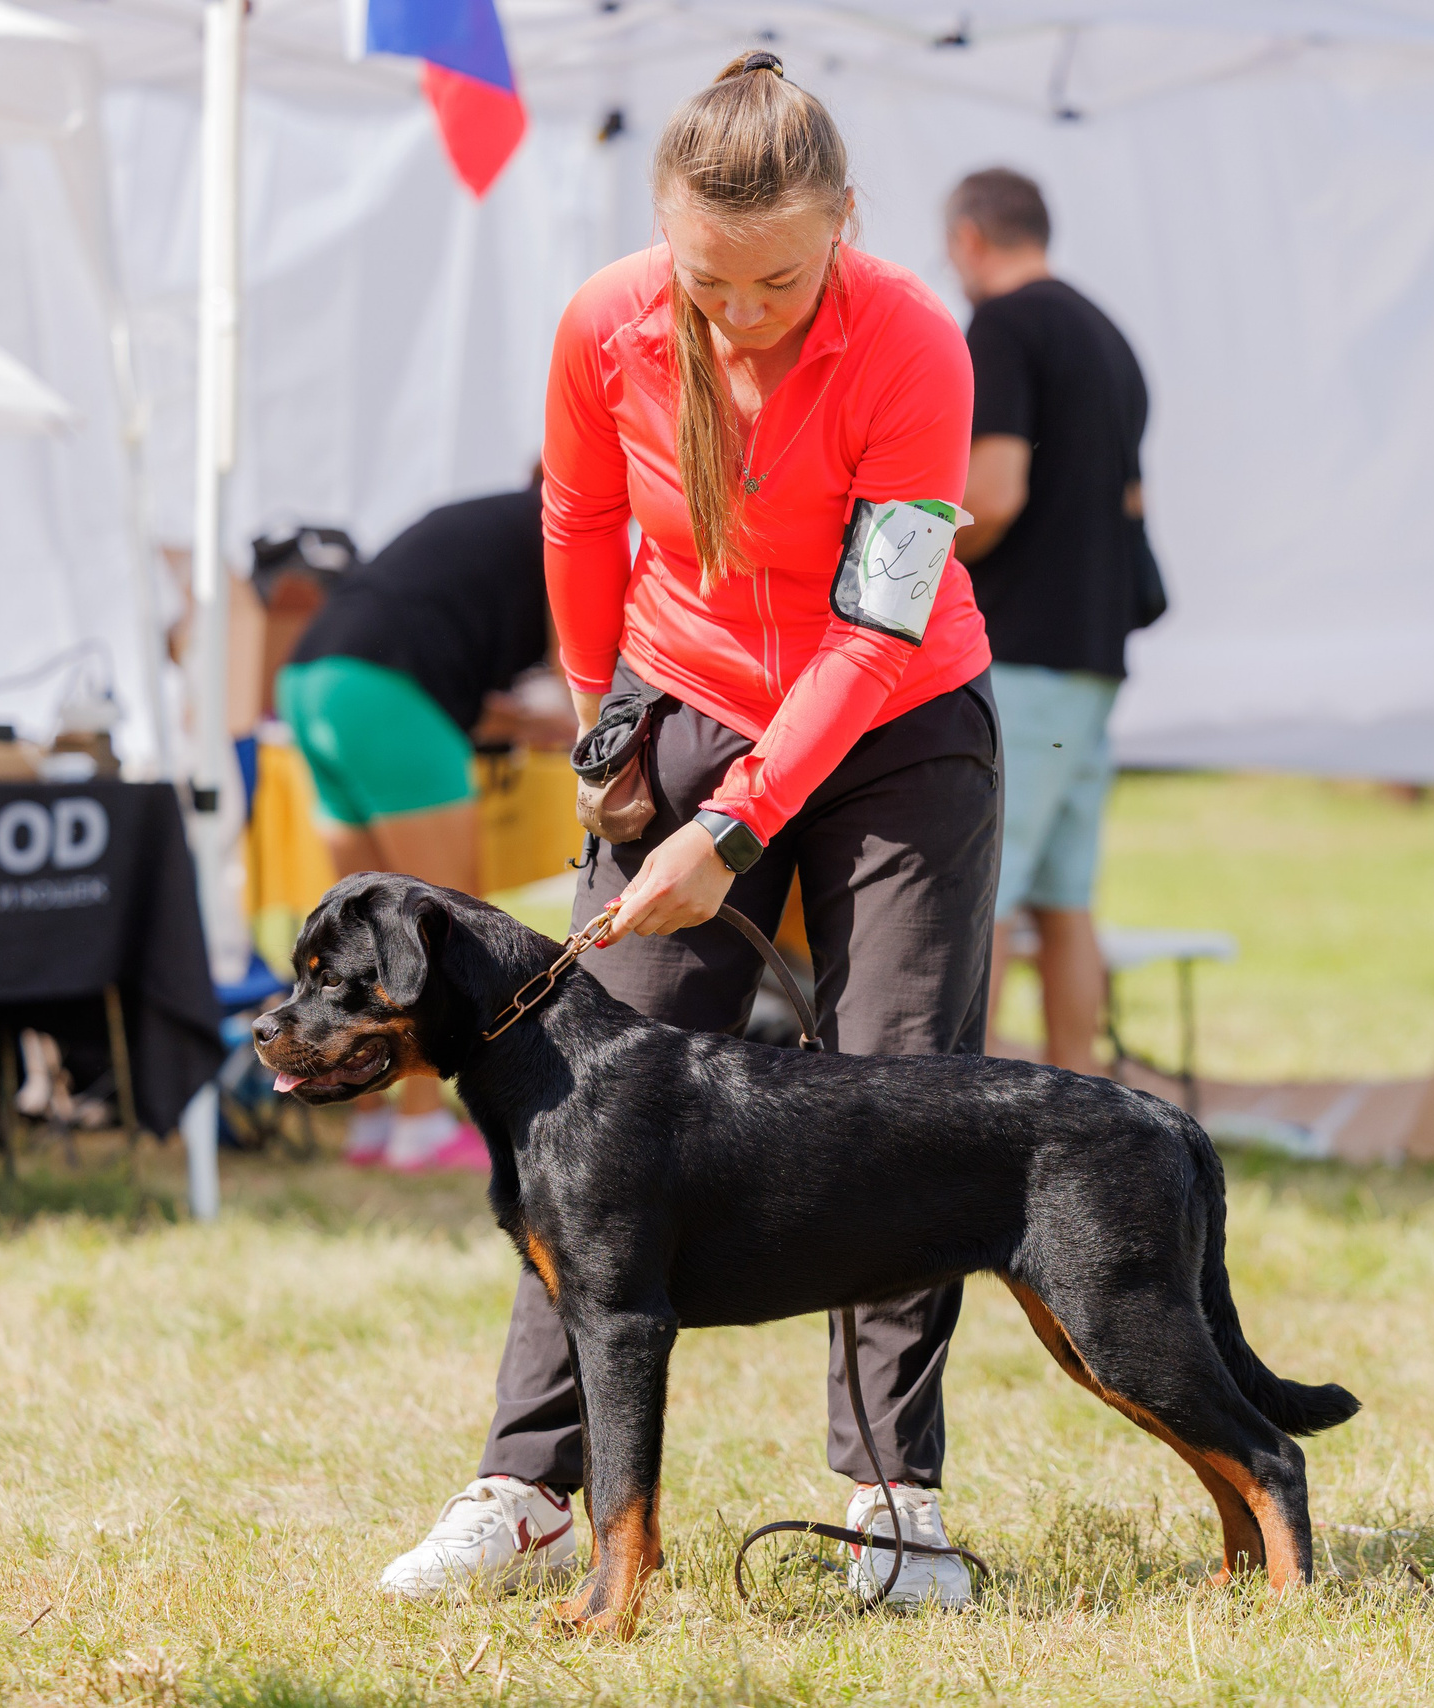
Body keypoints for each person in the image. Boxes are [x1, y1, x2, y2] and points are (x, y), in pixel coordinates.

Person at [378, 51, 999, 1611]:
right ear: (665, 235)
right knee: (581, 1087)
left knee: (902, 1085)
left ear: (846, 222)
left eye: (780, 278)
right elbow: (578, 523)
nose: (742, 310)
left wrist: (732, 828)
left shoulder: (919, 343)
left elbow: (875, 630)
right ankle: (525, 1487)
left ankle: (888, 1502)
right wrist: (609, 731)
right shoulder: (605, 320)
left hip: (901, 720)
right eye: (709, 279)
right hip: (686, 700)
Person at [275, 481, 573, 1172]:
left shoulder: (489, 523)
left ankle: (366, 1117)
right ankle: (423, 1129)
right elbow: (571, 671)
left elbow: (453, 688)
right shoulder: (567, 521)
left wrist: (533, 723)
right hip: (385, 689)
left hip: (313, 677)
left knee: (358, 927)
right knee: (444, 924)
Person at [944, 168, 1152, 1075]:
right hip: (1093, 656)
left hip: (1020, 656)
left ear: (968, 241)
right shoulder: (1108, 334)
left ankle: (971, 1119)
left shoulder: (1001, 325)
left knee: (975, 895)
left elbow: (989, 496)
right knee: (1067, 903)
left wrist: (904, 556)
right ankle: (1084, 1101)